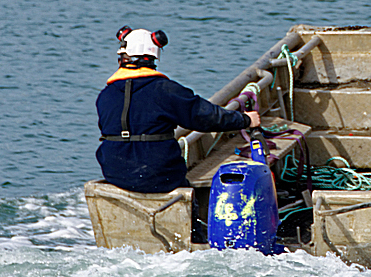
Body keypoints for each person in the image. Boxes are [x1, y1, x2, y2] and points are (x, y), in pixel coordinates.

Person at [96, 26, 260, 193]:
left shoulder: (105, 95)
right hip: (160, 177)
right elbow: (204, 116)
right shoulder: (165, 90)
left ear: (122, 59)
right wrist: (245, 120)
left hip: (115, 174)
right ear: (153, 59)